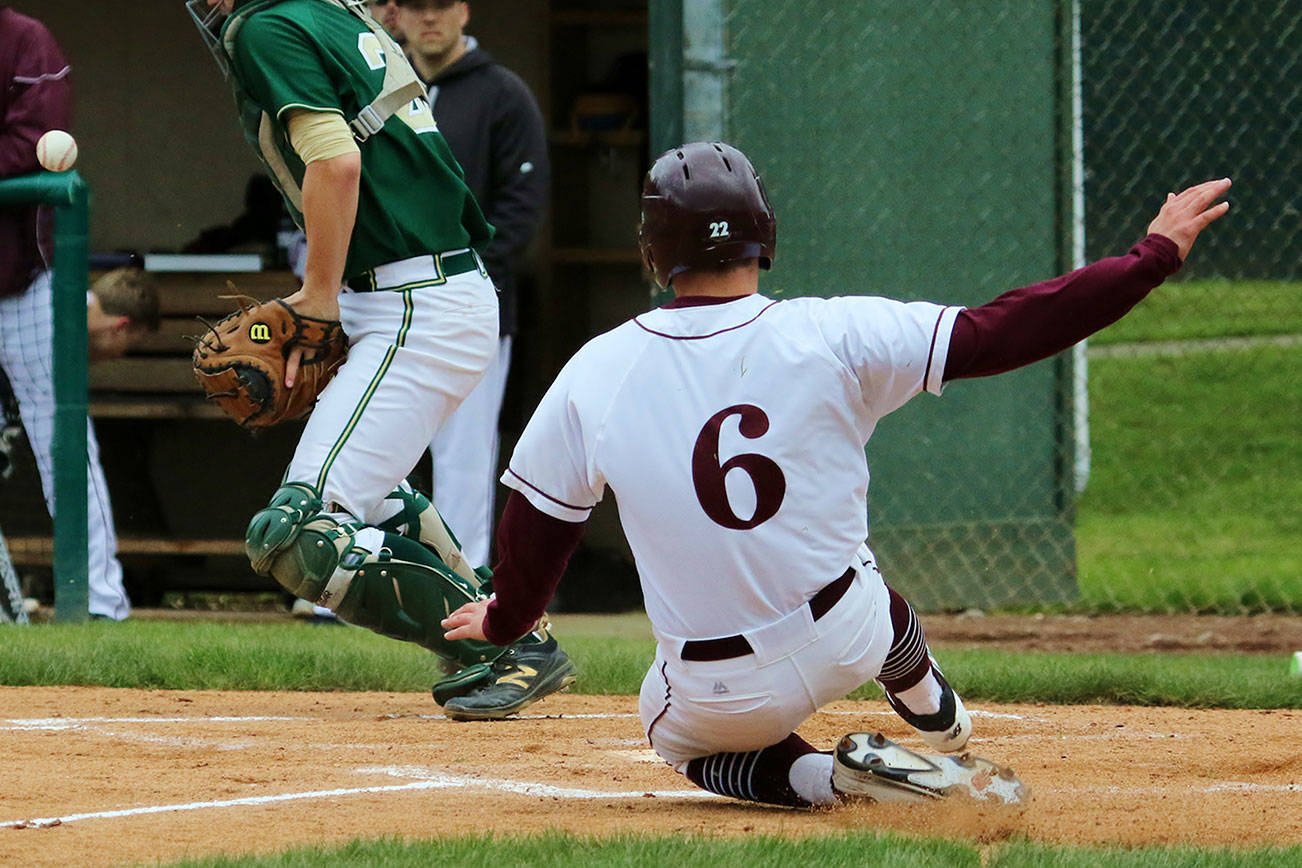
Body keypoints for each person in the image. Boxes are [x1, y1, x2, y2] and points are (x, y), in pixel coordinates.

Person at [443, 141, 1231, 806]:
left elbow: (538, 529)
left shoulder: (596, 369)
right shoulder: (833, 331)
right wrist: (1148, 258)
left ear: (655, 251)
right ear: (763, 235)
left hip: (720, 697)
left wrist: (507, 621)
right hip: (846, 633)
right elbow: (1009, 329)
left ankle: (836, 781)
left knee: (668, 735)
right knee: (866, 586)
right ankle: (937, 711)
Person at [187, 0, 574, 719]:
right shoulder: (329, 10)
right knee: (372, 497)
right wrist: (333, 298)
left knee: (295, 536)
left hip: (413, 302)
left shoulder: (268, 25)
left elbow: (336, 164)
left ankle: (509, 642)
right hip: (412, 291)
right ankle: (507, 623)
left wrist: (318, 298)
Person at [396, 0, 550, 567]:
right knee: (377, 452)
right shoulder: (379, 87)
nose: (428, 18)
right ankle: (347, 587)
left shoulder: (503, 94)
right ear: (397, 12)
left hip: (474, 309)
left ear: (463, 10)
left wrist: (468, 279)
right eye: (416, 6)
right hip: (387, 305)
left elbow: (521, 208)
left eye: (440, 4)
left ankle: (462, 590)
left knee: (463, 459)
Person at [0, 6, 133, 621]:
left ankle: (100, 603)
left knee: (62, 438)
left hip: (23, 279)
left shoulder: (25, 39)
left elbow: (33, 142)